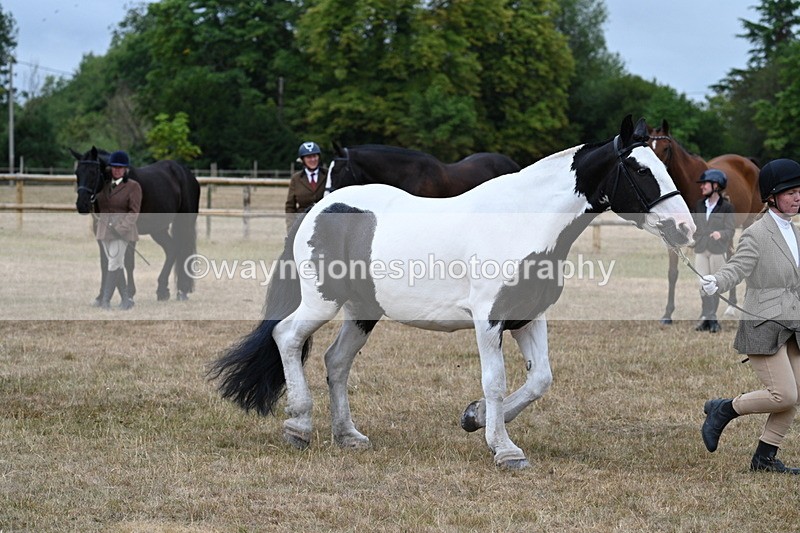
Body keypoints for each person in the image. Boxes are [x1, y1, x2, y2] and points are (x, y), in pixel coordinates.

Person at [700, 158, 800, 474]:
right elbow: (738, 267)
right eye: (791, 192)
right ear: (771, 196)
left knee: (796, 394)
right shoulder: (757, 233)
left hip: (793, 324)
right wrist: (716, 281)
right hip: (764, 325)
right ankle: (724, 409)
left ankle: (764, 459)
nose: (798, 197)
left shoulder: (795, 233)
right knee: (783, 394)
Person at [96, 150, 141, 310]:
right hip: (104, 231)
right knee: (117, 264)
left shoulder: (133, 187)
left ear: (126, 169)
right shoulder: (104, 186)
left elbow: (134, 212)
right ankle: (126, 300)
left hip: (123, 232)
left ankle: (106, 300)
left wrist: (120, 229)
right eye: (114, 167)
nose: (117, 170)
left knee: (113, 264)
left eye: (120, 167)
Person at [692, 168, 736, 333]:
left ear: (715, 185)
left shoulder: (727, 207)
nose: (702, 187)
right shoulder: (699, 205)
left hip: (718, 250)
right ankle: (707, 317)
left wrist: (721, 233)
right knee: (702, 284)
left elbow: (731, 230)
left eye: (705, 184)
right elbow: (696, 227)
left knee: (714, 284)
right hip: (701, 248)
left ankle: (711, 318)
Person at [285, 141, 327, 232]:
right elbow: (290, 206)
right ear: (302, 159)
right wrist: (291, 228)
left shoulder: (327, 175)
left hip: (325, 222)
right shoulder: (296, 179)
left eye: (315, 156)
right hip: (303, 223)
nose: (313, 159)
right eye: (309, 157)